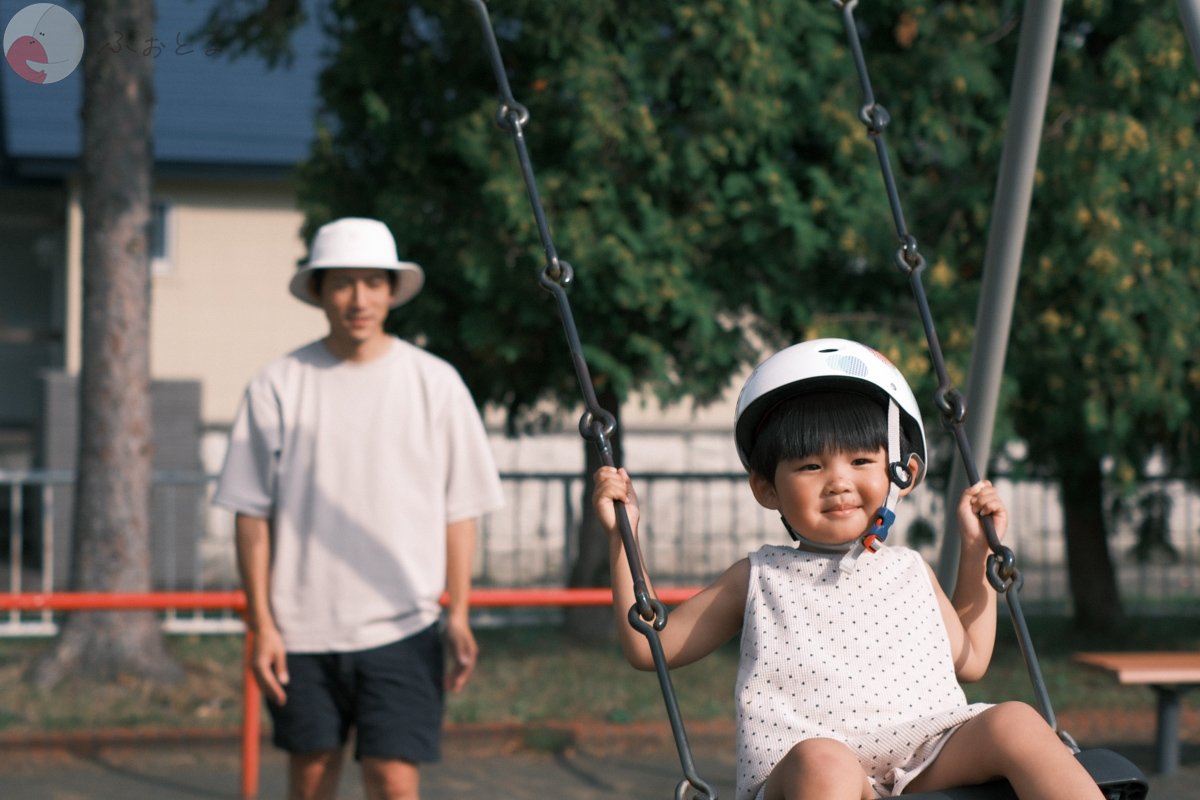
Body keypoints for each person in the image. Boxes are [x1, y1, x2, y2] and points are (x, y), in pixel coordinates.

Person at [593, 338, 1103, 800]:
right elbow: (649, 645)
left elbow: (968, 661)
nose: (838, 482)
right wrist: (624, 536)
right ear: (766, 488)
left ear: (903, 471)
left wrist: (976, 553)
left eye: (861, 461)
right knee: (826, 761)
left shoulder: (909, 569)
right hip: (807, 772)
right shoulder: (759, 577)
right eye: (811, 466)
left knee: (1014, 720)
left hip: (923, 753)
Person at [213, 217, 505, 800]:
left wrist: (459, 612)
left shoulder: (435, 382)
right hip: (300, 631)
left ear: (393, 290)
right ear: (319, 290)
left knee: (395, 780)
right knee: (312, 778)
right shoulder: (277, 384)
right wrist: (264, 625)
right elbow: (250, 515)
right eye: (343, 282)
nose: (359, 298)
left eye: (374, 281)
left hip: (405, 623)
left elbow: (460, 510)